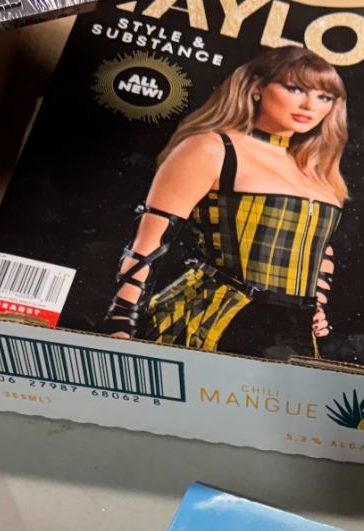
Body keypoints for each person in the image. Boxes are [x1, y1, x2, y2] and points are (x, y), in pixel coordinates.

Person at [107, 45, 346, 361]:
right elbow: (148, 244)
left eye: (324, 97)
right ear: (256, 87)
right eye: (295, 89)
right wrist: (121, 323)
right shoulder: (212, 148)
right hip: (207, 322)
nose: (310, 105)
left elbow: (319, 247)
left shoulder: (318, 169)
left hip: (293, 335)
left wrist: (317, 304)